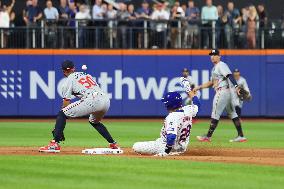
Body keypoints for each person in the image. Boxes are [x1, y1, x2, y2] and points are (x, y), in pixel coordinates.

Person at [39, 60, 119, 153]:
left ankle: (54, 144)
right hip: (105, 100)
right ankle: (113, 144)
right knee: (94, 121)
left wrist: (58, 129)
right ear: (74, 68)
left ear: (63, 71)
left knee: (62, 114)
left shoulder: (68, 80)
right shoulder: (87, 75)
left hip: (92, 100)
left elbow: (66, 103)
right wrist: (59, 128)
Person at [194, 49, 247, 143]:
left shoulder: (221, 65)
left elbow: (229, 75)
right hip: (227, 93)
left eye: (215, 54)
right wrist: (199, 87)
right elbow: (211, 83)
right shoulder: (214, 68)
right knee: (232, 113)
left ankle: (208, 136)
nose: (212, 56)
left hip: (222, 92)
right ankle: (241, 136)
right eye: (211, 55)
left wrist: (236, 87)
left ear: (219, 56)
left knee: (215, 113)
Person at [133, 91, 200, 156]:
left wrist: (166, 152)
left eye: (166, 103)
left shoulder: (172, 116)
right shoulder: (189, 110)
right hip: (182, 147)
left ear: (169, 105)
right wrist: (189, 90)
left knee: (136, 146)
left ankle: (170, 152)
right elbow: (197, 104)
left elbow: (171, 137)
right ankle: (175, 152)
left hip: (164, 146)